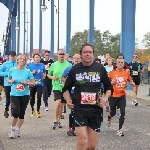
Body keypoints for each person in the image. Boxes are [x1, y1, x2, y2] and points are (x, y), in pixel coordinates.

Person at [63, 43, 112, 150]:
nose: (87, 54)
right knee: (82, 140)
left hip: (95, 109)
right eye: (85, 52)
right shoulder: (75, 69)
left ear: (93, 54)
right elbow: (66, 89)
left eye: (90, 52)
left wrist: (105, 98)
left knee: (92, 146)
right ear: (81, 54)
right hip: (79, 108)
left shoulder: (100, 68)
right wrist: (68, 100)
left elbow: (109, 88)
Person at [7, 55, 35, 138]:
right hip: (14, 94)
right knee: (15, 112)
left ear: (25, 62)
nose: (22, 60)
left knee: (21, 113)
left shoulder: (27, 71)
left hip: (25, 94)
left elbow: (33, 83)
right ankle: (12, 129)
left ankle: (18, 129)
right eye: (21, 59)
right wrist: (11, 81)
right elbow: (8, 79)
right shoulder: (12, 70)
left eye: (24, 59)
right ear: (18, 61)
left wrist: (26, 83)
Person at [107, 58, 135, 136]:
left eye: (121, 62)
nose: (120, 63)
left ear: (123, 64)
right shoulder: (111, 73)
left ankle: (119, 129)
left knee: (122, 112)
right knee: (113, 112)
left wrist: (132, 83)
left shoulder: (126, 73)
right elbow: (106, 82)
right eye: (118, 62)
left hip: (122, 96)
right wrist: (111, 82)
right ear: (116, 63)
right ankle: (109, 116)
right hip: (113, 96)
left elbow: (130, 80)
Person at [47, 49, 72, 129]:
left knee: (62, 104)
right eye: (60, 54)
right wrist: (52, 77)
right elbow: (48, 75)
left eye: (63, 54)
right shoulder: (54, 64)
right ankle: (55, 120)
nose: (61, 55)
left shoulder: (69, 65)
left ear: (65, 55)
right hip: (56, 86)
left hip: (65, 87)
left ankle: (58, 120)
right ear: (57, 55)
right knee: (58, 102)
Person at [61, 54, 81, 136]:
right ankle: (71, 127)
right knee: (73, 110)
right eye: (75, 58)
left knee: (80, 111)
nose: (76, 59)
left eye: (78, 58)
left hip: (81, 93)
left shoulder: (84, 69)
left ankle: (79, 127)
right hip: (72, 92)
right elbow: (62, 77)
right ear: (72, 59)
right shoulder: (69, 68)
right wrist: (69, 81)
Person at [28, 53, 46, 118]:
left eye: (38, 57)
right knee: (32, 97)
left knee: (39, 97)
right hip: (32, 83)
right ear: (33, 59)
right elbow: (27, 74)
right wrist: (32, 73)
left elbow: (44, 72)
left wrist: (44, 75)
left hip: (40, 84)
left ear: (40, 58)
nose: (37, 59)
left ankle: (38, 110)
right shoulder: (30, 65)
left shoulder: (42, 65)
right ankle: (32, 109)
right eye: (36, 57)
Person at [0, 51, 17, 118]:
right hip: (7, 84)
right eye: (11, 55)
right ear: (9, 56)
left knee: (14, 99)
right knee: (8, 100)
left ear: (15, 56)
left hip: (16, 84)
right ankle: (6, 109)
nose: (12, 57)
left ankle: (13, 115)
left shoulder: (18, 63)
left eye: (14, 55)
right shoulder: (5, 64)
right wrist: (8, 74)